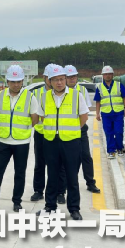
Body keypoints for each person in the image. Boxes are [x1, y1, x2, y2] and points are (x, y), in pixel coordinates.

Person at [36, 65, 89, 220]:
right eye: (55, 80)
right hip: (51, 141)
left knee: (72, 176)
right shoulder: (44, 96)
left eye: (61, 79)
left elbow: (83, 117)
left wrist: (71, 130)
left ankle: (74, 208)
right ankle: (50, 206)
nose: (59, 82)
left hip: (71, 142)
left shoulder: (76, 95)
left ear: (65, 79)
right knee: (52, 175)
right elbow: (42, 117)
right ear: (50, 81)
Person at [0, 65, 39, 212]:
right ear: (8, 81)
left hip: (22, 142)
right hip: (3, 141)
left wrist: (22, 129)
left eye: (19, 81)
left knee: (19, 173)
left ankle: (17, 201)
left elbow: (35, 119)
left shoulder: (30, 97)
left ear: (23, 81)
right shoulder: (1, 95)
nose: (16, 84)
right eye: (13, 81)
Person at [30, 64, 67, 204]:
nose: (55, 81)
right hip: (41, 133)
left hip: (58, 134)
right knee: (40, 163)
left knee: (60, 164)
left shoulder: (64, 94)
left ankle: (60, 192)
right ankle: (38, 191)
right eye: (50, 77)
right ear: (45, 78)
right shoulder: (36, 93)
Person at [64, 65, 100, 193]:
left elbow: (85, 110)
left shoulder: (82, 90)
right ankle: (65, 185)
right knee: (67, 159)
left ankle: (90, 182)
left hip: (81, 128)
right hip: (65, 130)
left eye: (74, 76)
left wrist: (79, 126)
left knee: (85, 156)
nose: (72, 79)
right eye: (69, 77)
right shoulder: (60, 92)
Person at [94, 65, 125, 159]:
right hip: (106, 114)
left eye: (109, 74)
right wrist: (97, 113)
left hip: (118, 113)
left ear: (112, 75)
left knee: (118, 131)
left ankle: (119, 148)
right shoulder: (99, 87)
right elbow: (98, 101)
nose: (107, 76)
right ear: (103, 75)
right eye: (105, 74)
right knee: (108, 133)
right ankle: (111, 151)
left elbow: (124, 98)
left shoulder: (119, 85)